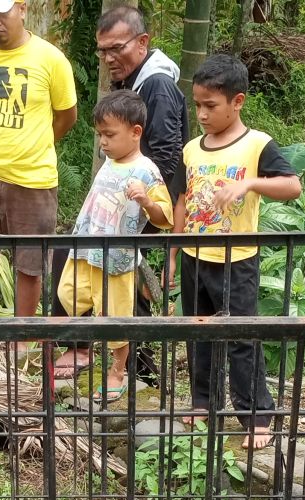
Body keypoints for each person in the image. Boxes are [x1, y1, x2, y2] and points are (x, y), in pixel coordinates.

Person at [169, 54, 301, 449]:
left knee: (243, 338)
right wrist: (174, 255)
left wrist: (250, 185)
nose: (203, 114)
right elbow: (181, 200)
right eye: (198, 105)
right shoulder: (192, 148)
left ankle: (258, 415)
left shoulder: (257, 144)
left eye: (211, 106)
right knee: (199, 335)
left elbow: (292, 185)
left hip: (236, 259)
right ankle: (204, 403)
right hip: (194, 256)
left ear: (237, 102)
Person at [51, 4, 187, 383]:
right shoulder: (134, 80)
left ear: (142, 42)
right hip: (124, 205)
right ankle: (131, 364)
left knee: (118, 285)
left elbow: (165, 155)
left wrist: (142, 205)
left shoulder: (156, 83)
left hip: (141, 203)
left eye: (116, 48)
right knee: (99, 276)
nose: (109, 57)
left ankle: (108, 359)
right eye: (103, 50)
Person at [0, 0, 77, 332]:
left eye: (1, 14)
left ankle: (21, 341)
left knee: (30, 264)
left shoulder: (51, 59)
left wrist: (34, 145)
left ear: (21, 9)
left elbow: (66, 116)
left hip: (33, 179)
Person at [57, 90, 173, 402]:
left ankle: (118, 371)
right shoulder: (109, 163)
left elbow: (165, 218)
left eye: (109, 135)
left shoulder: (146, 170)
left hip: (117, 259)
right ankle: (86, 347)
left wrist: (147, 200)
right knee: (67, 294)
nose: (103, 142)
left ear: (136, 133)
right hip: (85, 249)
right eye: (100, 135)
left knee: (116, 316)